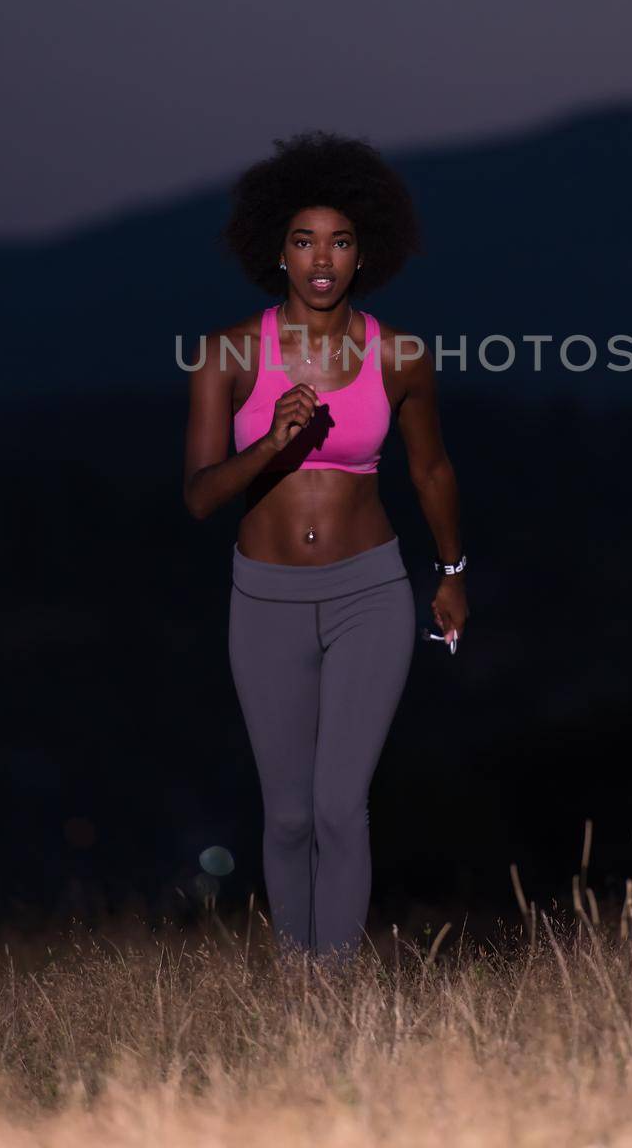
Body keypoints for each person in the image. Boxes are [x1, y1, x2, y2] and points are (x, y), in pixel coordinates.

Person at [183, 130, 469, 961]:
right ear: (276, 249)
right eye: (304, 240)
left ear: (363, 253)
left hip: (370, 591)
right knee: (289, 813)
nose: (322, 259)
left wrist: (450, 573)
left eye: (340, 241)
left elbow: (433, 471)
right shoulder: (227, 355)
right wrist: (271, 443)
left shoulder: (399, 356)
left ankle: (333, 994)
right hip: (265, 597)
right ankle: (297, 990)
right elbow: (200, 497)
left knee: (343, 806)